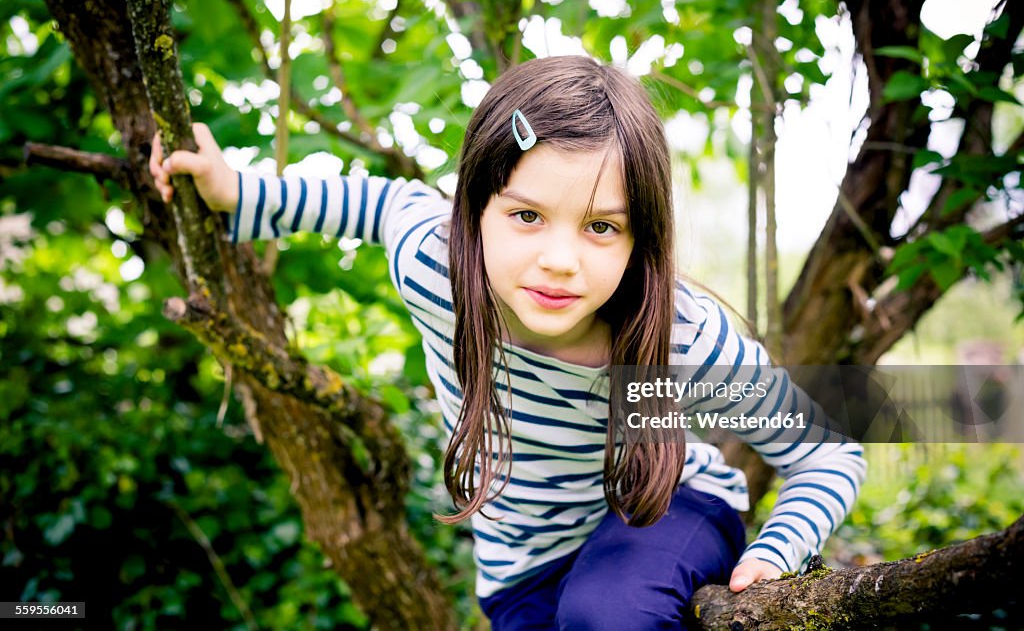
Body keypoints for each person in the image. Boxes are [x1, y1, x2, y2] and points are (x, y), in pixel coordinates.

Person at [150, 55, 866, 630]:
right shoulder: (436, 269)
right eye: (527, 214)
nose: (560, 259)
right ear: (475, 210)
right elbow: (374, 202)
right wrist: (234, 192)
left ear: (640, 240)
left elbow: (829, 450)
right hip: (519, 572)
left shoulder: (673, 334)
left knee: (609, 616)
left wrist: (776, 552)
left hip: (660, 514)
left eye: (601, 227)